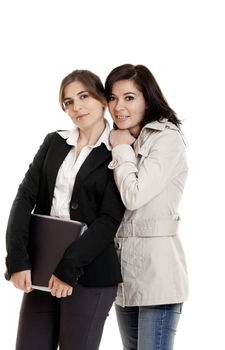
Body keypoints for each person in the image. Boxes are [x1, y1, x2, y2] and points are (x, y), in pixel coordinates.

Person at [5, 69, 125, 350]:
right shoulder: (54, 142)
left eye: (83, 96)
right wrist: (18, 260)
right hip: (43, 267)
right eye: (68, 102)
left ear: (102, 99)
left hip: (90, 272)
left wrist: (68, 267)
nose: (76, 107)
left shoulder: (119, 149)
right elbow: (24, 198)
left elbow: (109, 220)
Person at [104, 64, 188, 350]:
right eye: (112, 98)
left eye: (129, 97)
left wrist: (121, 149)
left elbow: (135, 196)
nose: (118, 107)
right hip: (123, 279)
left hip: (158, 276)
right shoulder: (119, 139)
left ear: (147, 99)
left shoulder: (167, 139)